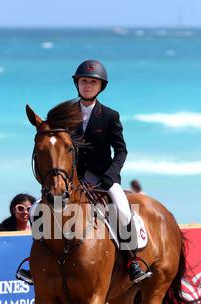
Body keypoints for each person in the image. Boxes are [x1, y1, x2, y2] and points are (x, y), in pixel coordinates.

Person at [72, 60, 151, 283]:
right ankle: (35, 262)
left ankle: (131, 260)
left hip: (102, 176)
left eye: (93, 82)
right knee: (43, 208)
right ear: (77, 83)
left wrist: (110, 175)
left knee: (123, 211)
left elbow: (121, 150)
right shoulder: (66, 113)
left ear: (100, 87)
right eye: (84, 81)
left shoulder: (109, 115)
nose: (88, 85)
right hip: (72, 178)